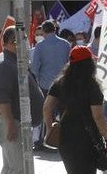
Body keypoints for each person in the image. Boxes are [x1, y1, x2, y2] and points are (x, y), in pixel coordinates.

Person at [42, 46, 107, 174]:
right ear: (89, 64)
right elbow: (98, 116)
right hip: (87, 138)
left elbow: (47, 107)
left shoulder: (60, 83)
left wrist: (49, 128)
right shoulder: (92, 86)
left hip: (65, 136)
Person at [0, 26, 44, 174]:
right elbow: (2, 97)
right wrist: (10, 123)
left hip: (14, 121)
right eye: (23, 40)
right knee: (19, 168)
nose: (26, 43)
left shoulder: (14, 61)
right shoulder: (4, 64)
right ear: (12, 42)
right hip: (10, 121)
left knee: (12, 167)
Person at [29, 19, 71, 149]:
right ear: (55, 29)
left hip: (45, 85)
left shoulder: (40, 46)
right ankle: (64, 141)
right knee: (64, 114)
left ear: (43, 31)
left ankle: (47, 140)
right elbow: (68, 63)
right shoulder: (65, 44)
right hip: (63, 83)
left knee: (46, 113)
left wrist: (37, 78)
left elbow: (35, 68)